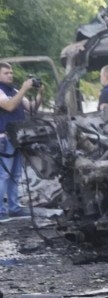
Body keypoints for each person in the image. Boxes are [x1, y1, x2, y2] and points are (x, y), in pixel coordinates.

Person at [0, 62, 42, 220]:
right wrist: (24, 88)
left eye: (11, 72)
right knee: (3, 175)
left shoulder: (14, 91)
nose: (10, 75)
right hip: (4, 139)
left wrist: (40, 94)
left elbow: (31, 108)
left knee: (15, 175)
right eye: (6, 73)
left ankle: (14, 208)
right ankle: (0, 212)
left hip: (17, 138)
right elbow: (9, 106)